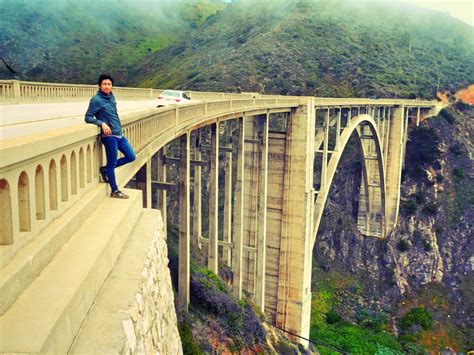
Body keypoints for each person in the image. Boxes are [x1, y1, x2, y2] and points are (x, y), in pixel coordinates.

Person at [85, 73, 136, 199]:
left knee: (131, 156)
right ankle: (114, 191)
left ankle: (105, 169)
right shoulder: (96, 100)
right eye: (104, 84)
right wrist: (101, 123)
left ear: (112, 85)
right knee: (112, 163)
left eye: (109, 84)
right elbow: (88, 117)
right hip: (109, 137)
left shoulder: (111, 97)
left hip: (119, 134)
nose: (107, 86)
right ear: (100, 85)